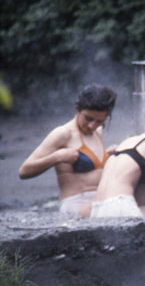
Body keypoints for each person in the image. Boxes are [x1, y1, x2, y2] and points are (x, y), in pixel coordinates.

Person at [18, 84, 117, 216]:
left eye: (99, 121)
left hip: (99, 198)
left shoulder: (98, 132)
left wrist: (110, 156)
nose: (92, 125)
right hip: (76, 204)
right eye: (88, 118)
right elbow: (23, 171)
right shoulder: (63, 134)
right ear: (78, 107)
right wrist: (57, 157)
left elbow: (96, 167)